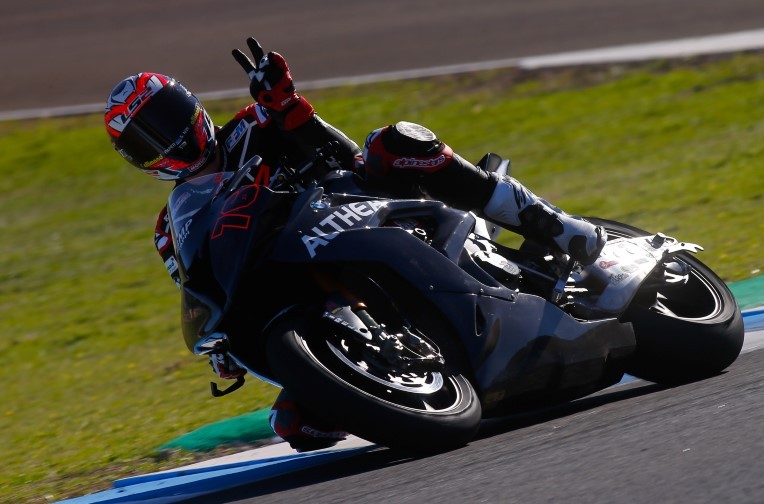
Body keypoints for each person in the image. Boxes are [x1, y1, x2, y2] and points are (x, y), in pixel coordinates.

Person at [104, 38, 606, 452]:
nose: (168, 141)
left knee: (394, 141)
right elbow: (203, 283)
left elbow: (340, 152)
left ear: (191, 107)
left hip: (361, 208)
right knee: (298, 424)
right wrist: (220, 347)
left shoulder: (254, 124)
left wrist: (287, 107)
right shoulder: (171, 228)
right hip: (296, 272)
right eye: (147, 140)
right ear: (136, 159)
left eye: (167, 119)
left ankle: (553, 223)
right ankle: (405, 377)